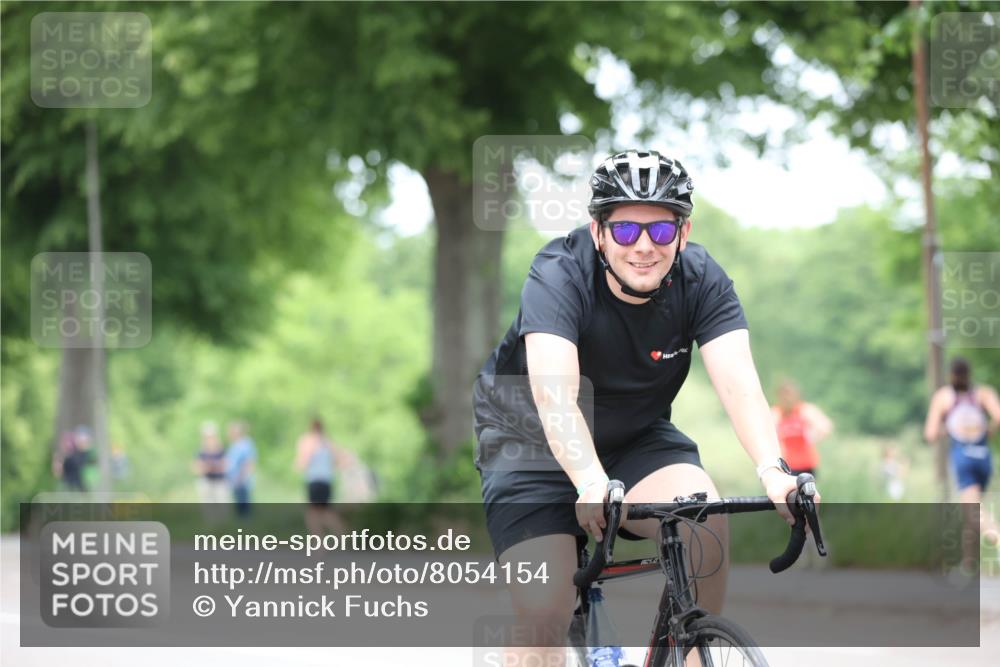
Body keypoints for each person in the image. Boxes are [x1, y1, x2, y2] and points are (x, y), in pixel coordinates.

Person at [473, 150, 811, 664]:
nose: (645, 247)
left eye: (661, 230)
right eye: (627, 231)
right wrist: (588, 480)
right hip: (530, 441)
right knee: (546, 610)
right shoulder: (558, 273)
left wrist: (774, 471)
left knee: (705, 521)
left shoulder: (702, 280)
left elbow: (741, 386)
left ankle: (692, 653)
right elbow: (554, 396)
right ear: (599, 232)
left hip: (635, 436)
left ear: (684, 230)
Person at [924, 357, 1000, 570]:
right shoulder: (983, 393)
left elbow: (930, 434)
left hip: (963, 458)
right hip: (983, 456)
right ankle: (969, 564)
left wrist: (945, 429)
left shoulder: (944, 397)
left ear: (951, 375)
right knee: (972, 510)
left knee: (974, 510)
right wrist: (990, 428)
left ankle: (997, 540)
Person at [294, 418, 348, 535]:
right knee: (324, 511)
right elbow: (339, 460)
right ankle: (341, 533)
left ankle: (321, 541)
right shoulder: (328, 442)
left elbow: (303, 462)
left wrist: (298, 464)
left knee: (313, 514)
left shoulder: (308, 441)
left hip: (314, 480)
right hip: (327, 480)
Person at [771, 379, 834, 477]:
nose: (787, 398)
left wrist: (811, 437)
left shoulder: (805, 410)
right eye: (784, 395)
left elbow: (826, 427)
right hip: (786, 464)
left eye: (789, 394)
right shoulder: (776, 413)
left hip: (806, 463)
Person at [225, 420, 257, 517]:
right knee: (238, 505)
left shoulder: (246, 444)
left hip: (241, 480)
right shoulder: (234, 445)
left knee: (244, 505)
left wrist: (241, 477)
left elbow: (248, 462)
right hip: (234, 479)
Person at [192, 421, 228, 504]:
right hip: (206, 481)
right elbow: (197, 468)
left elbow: (225, 465)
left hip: (219, 482)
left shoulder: (221, 450)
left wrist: (214, 467)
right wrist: (205, 468)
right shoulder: (201, 451)